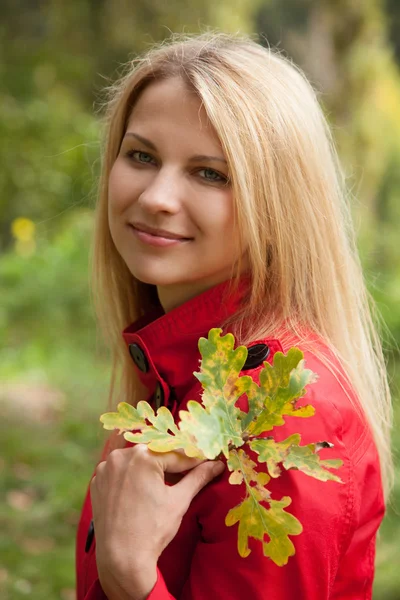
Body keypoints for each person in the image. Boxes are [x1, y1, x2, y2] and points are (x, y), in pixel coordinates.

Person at [76, 32, 393, 600]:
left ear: (278, 205)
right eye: (142, 155)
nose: (156, 197)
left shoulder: (286, 411)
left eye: (210, 173)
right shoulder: (173, 370)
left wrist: (131, 580)